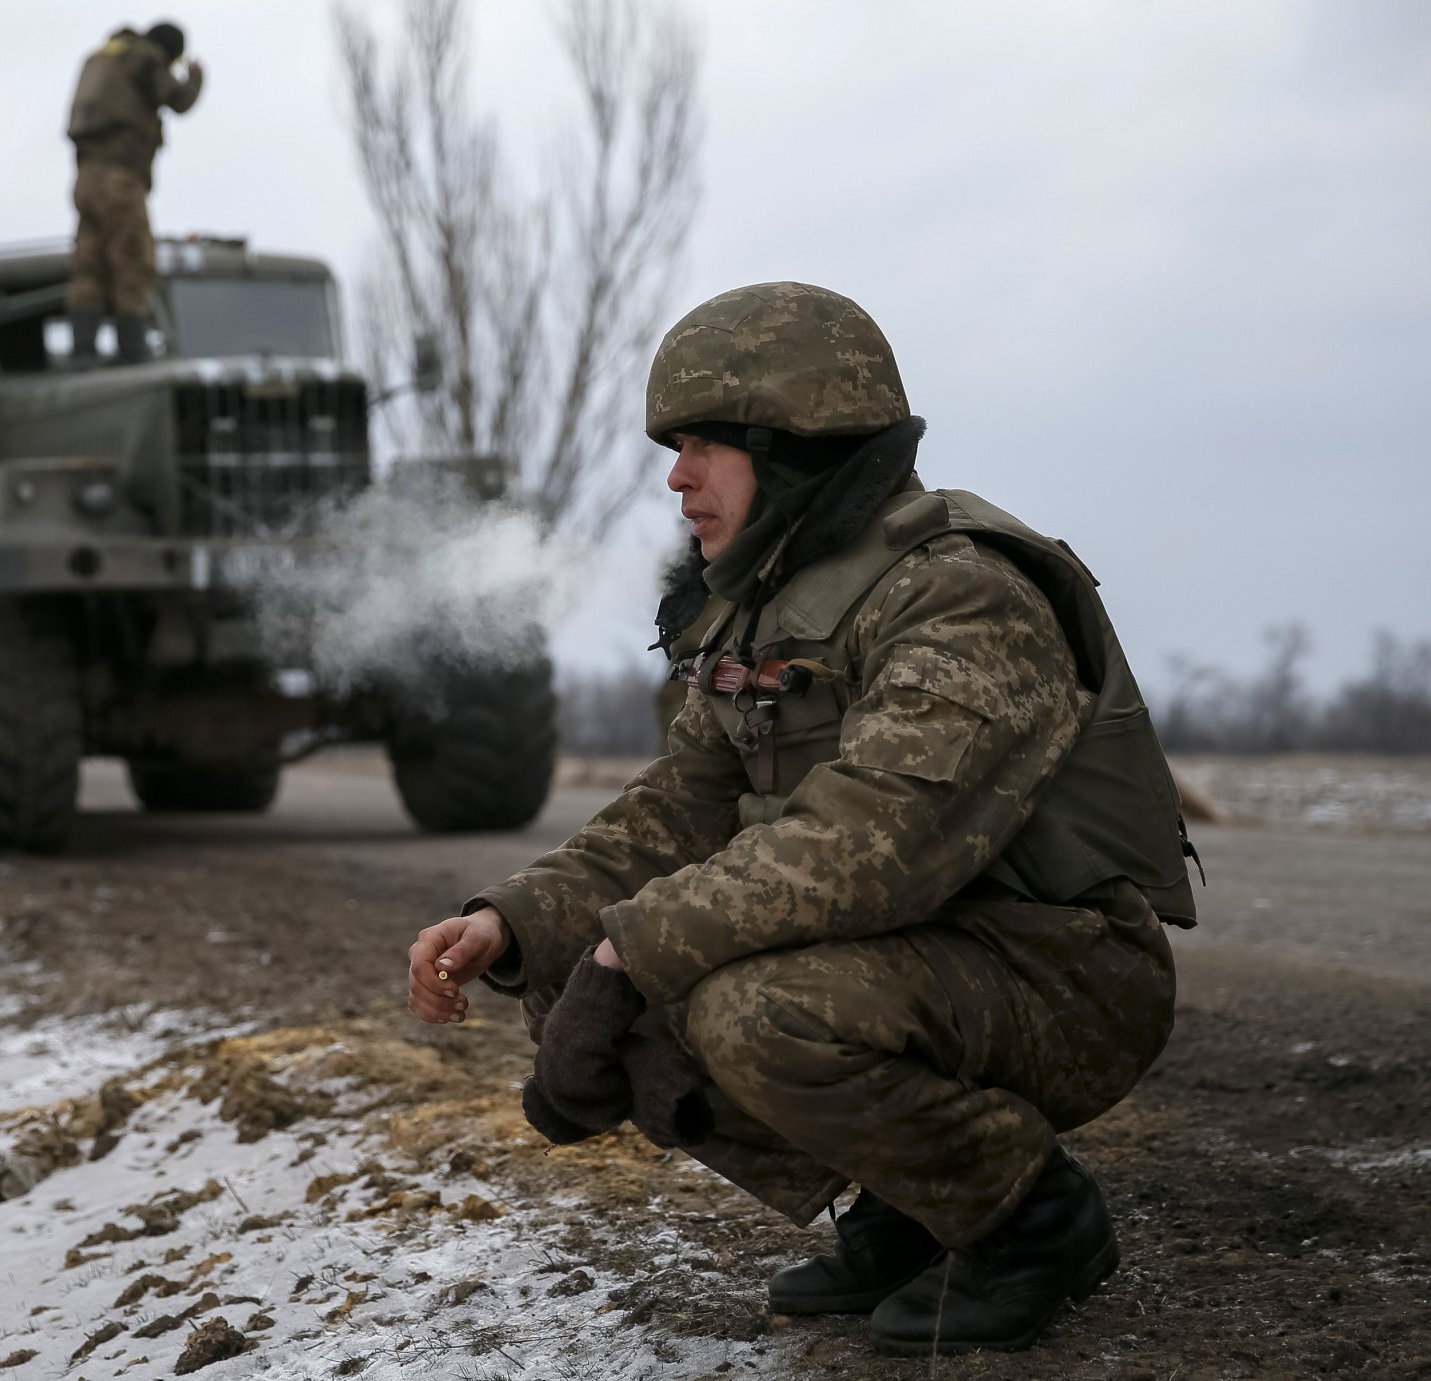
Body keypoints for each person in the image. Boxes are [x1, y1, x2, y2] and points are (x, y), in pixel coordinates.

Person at [406, 282, 1200, 1355]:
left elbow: (871, 848)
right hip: (926, 958)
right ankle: (911, 1202)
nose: (675, 476)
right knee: (562, 964)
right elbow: (674, 812)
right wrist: (511, 921)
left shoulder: (958, 592)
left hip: (1061, 969)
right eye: (673, 447)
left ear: (793, 444)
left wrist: (628, 948)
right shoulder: (764, 606)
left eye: (703, 445)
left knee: (749, 1007)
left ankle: (1027, 1217)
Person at [64, 20, 204, 363]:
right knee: (133, 262)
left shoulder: (103, 55)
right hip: (120, 178)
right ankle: (132, 352)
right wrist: (196, 76)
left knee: (89, 265)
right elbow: (177, 99)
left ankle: (83, 352)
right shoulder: (144, 57)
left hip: (85, 177)